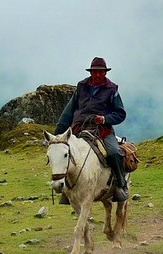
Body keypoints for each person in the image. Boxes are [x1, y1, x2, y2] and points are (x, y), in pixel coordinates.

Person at [53, 57, 129, 202]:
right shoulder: (81, 86)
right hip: (79, 128)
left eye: (101, 72)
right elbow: (68, 112)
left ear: (105, 73)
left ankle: (120, 185)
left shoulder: (112, 89)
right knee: (66, 154)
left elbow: (120, 113)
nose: (98, 75)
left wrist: (105, 119)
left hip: (102, 130)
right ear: (91, 72)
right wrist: (57, 135)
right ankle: (66, 191)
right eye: (95, 72)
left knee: (114, 152)